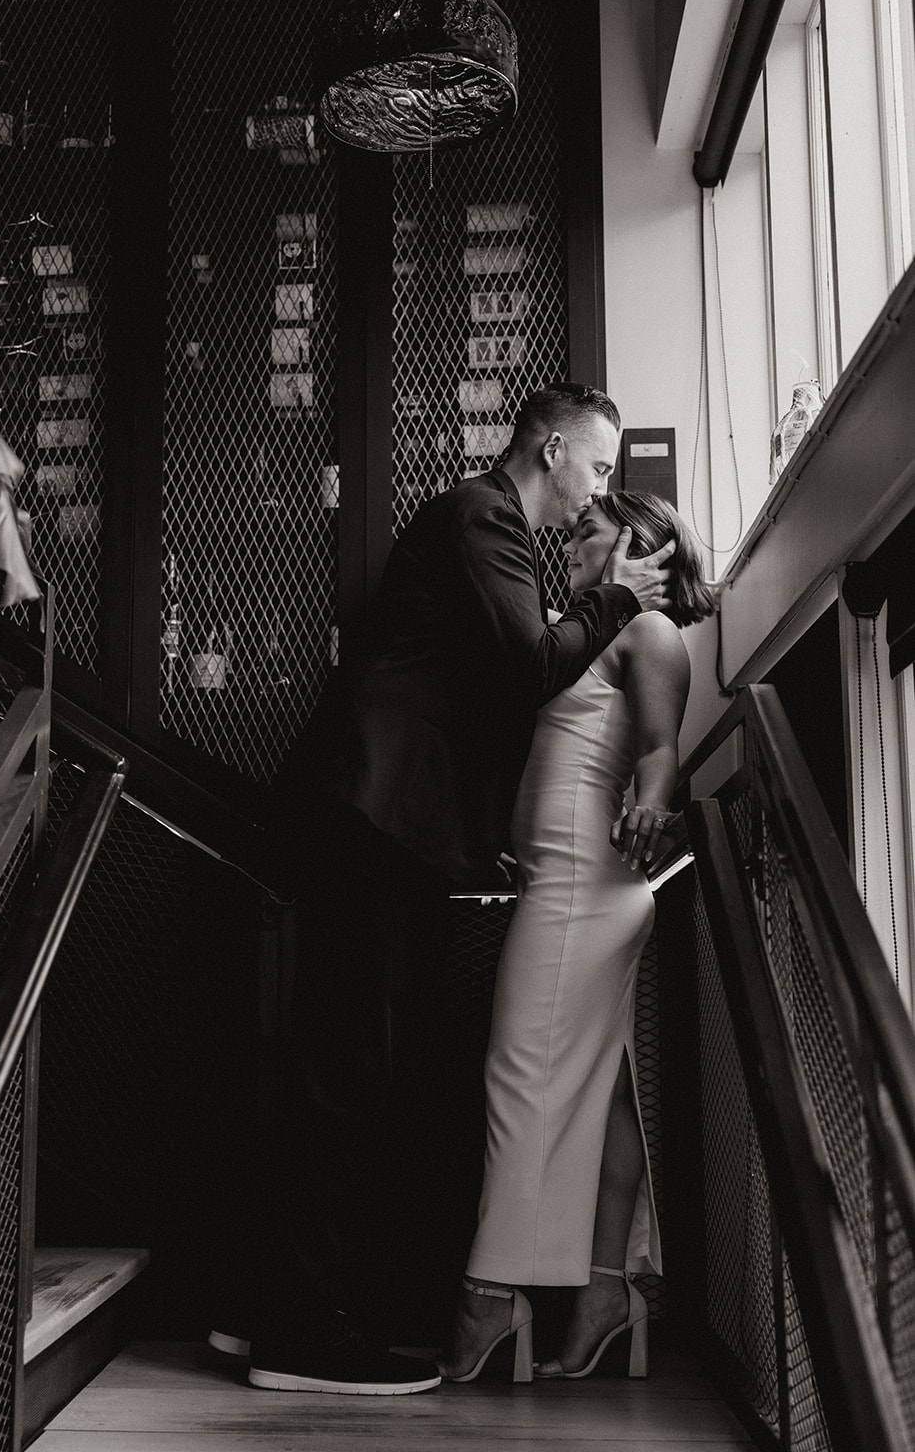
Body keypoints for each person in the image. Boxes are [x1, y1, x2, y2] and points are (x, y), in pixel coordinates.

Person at [244, 386, 676, 1396]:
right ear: (554, 448)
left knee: (360, 1064)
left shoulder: (502, 540)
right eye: (599, 467)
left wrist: (485, 848)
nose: (600, 490)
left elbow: (479, 697)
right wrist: (617, 596)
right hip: (372, 817)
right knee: (350, 1066)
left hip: (400, 830)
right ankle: (299, 1336)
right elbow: (524, 663)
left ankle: (284, 1310)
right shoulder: (482, 512)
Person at [438, 490, 715, 1385]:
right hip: (557, 881)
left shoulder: (651, 635)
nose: (568, 540)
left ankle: (490, 1293)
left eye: (586, 530)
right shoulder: (577, 630)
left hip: (583, 889)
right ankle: (604, 1290)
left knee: (517, 1075)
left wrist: (653, 793)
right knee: (606, 1098)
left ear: (637, 545)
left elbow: (662, 747)